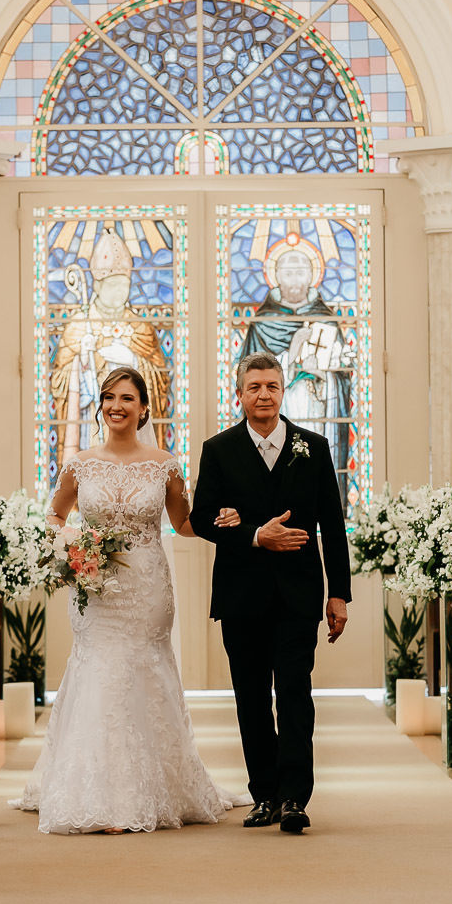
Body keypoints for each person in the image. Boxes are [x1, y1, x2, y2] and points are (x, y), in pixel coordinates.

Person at [11, 366, 246, 834]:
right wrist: (76, 547)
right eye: (109, 397)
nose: (116, 406)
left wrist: (229, 521)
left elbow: (183, 523)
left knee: (143, 669)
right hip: (97, 586)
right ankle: (99, 793)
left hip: (147, 586)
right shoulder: (80, 463)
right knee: (99, 670)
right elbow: (54, 516)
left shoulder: (165, 464)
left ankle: (154, 785)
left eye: (127, 398)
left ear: (143, 408)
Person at [190, 352, 351, 834]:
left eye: (272, 387)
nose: (263, 395)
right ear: (238, 394)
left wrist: (339, 594)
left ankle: (295, 798)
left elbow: (333, 526)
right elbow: (201, 520)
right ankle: (264, 795)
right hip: (242, 597)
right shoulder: (218, 450)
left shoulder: (314, 447)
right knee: (252, 699)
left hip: (299, 595)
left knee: (296, 695)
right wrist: (256, 535)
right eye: (254, 386)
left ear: (283, 392)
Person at [240, 243, 353, 509]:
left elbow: (343, 374)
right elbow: (249, 376)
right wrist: (291, 356)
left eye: (300, 273)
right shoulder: (263, 322)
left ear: (311, 276)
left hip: (318, 411)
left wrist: (324, 375)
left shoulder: (325, 319)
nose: (294, 281)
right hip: (280, 411)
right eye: (288, 274)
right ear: (276, 277)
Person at [51, 229, 170, 461]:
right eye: (112, 285)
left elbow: (160, 381)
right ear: (97, 286)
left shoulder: (140, 327)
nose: (119, 293)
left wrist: (133, 361)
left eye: (123, 285)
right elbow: (59, 384)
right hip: (89, 429)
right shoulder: (78, 326)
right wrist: (81, 361)